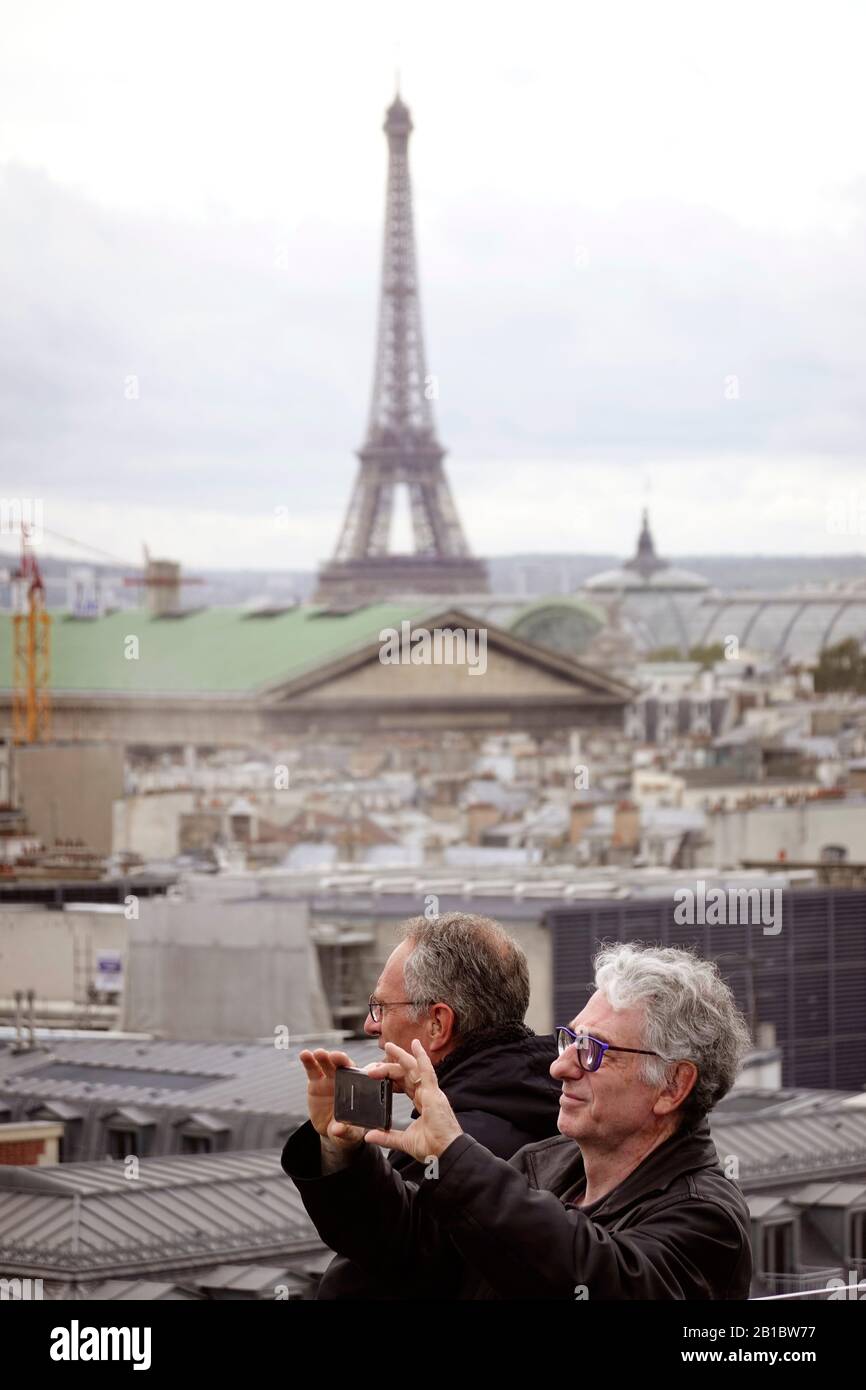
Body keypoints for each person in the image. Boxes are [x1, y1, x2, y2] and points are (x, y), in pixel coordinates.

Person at [283, 942, 754, 1299]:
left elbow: (592, 1275)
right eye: (568, 1040)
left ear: (672, 1086)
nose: (560, 1066)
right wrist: (343, 1152)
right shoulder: (546, 1162)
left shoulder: (706, 1218)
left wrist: (453, 1156)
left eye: (593, 1052)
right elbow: (415, 1251)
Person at [301, 911, 561, 1299]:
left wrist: (345, 1153)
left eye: (381, 1008)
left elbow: (392, 1257)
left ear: (438, 1024)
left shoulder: (450, 1144)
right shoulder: (556, 1114)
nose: (372, 1025)